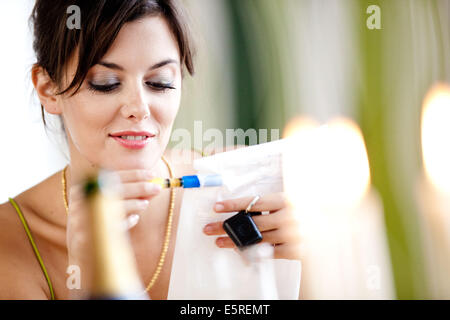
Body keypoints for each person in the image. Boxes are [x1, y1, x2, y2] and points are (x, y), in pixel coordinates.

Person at [0, 0, 300, 300]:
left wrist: (318, 259)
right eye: (106, 83)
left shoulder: (245, 191)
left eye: (160, 83)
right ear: (48, 88)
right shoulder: (11, 243)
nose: (139, 109)